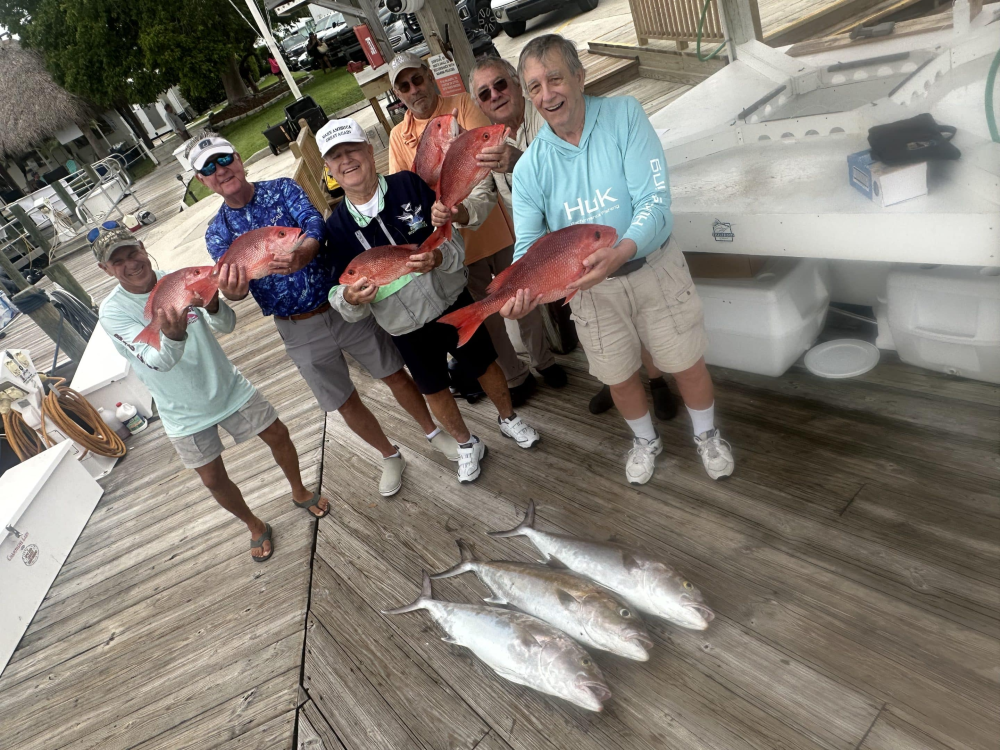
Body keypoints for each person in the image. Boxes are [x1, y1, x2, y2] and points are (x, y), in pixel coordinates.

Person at [502, 35, 735, 485]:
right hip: (590, 293)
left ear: (579, 76)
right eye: (534, 87)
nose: (547, 94)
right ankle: (646, 440)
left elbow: (655, 201)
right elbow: (528, 244)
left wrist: (623, 249)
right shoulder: (530, 167)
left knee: (686, 362)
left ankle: (707, 434)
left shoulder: (625, 114)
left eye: (555, 78)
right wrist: (519, 290)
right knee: (618, 375)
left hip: (653, 266)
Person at [192, 135, 458, 496]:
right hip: (296, 328)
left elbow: (315, 223)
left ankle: (434, 432)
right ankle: (389, 454)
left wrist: (303, 252)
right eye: (209, 167)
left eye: (224, 159)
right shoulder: (217, 232)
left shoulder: (283, 189)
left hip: (341, 302)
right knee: (343, 399)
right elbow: (235, 289)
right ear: (201, 181)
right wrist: (232, 291)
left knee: (393, 372)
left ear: (238, 159)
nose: (220, 170)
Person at [320, 118, 541, 483]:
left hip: (449, 300)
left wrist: (440, 258)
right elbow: (335, 292)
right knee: (434, 387)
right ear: (328, 169)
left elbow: (448, 233)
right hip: (402, 325)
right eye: (336, 156)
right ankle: (466, 443)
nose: (347, 161)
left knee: (485, 364)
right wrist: (349, 297)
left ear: (369, 151)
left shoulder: (409, 184)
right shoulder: (335, 229)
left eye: (353, 149)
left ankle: (509, 418)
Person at [94, 223, 327, 562]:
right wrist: (174, 335)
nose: (131, 263)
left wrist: (215, 305)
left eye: (133, 253)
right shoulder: (113, 313)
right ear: (105, 269)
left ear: (143, 248)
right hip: (182, 411)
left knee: (278, 433)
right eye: (118, 261)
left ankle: (299, 490)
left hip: (226, 385)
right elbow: (158, 362)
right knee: (212, 478)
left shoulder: (181, 277)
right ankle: (253, 524)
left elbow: (227, 325)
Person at [468, 54, 676, 421]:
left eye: (501, 84)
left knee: (639, 317)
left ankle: (657, 380)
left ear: (518, 85)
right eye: (485, 93)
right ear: (480, 104)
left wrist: (519, 161)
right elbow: (485, 197)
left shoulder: (546, 111)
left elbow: (569, 159)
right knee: (598, 332)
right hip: (550, 256)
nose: (496, 95)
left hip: (592, 238)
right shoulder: (487, 145)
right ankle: (616, 381)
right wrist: (459, 213)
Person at [386, 51, 566, 405]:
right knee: (488, 314)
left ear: (428, 76)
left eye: (417, 79)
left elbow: (479, 153)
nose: (413, 89)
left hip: (495, 225)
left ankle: (544, 360)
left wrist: (449, 168)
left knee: (522, 293)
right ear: (399, 94)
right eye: (404, 86)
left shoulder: (464, 103)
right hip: (454, 243)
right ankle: (515, 375)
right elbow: (404, 188)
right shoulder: (398, 136)